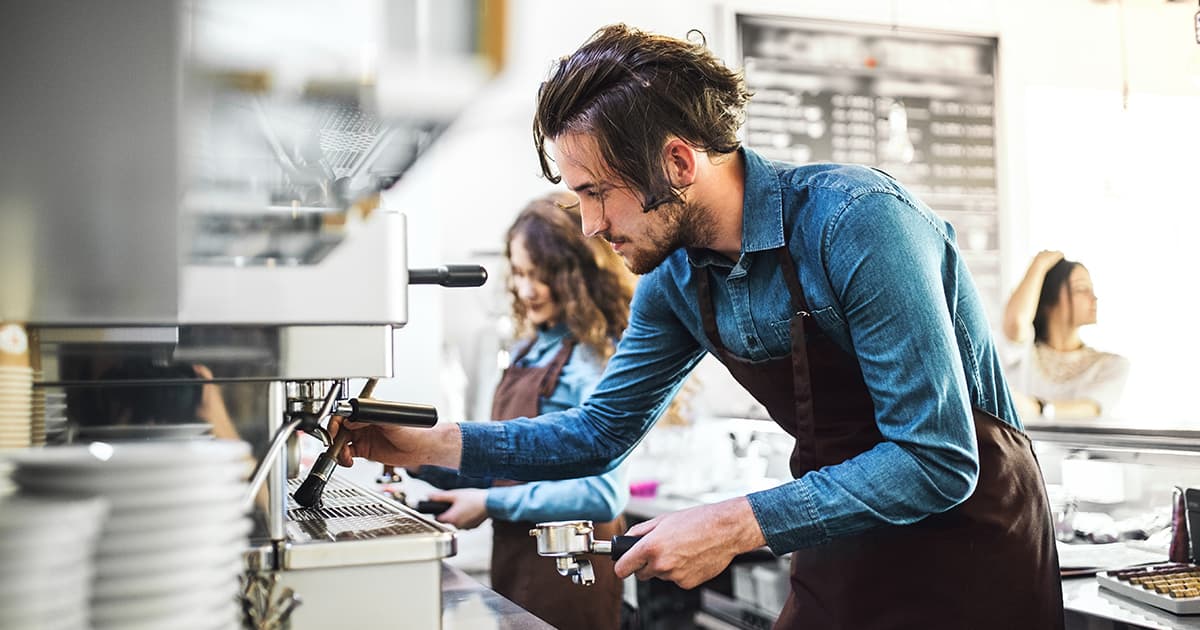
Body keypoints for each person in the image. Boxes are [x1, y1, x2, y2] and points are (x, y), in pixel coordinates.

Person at [335, 24, 1063, 629]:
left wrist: (736, 523)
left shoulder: (857, 222)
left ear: (678, 161)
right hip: (842, 541)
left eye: (597, 194)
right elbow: (596, 433)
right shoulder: (676, 280)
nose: (588, 226)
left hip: (972, 541)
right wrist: (429, 444)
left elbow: (936, 459)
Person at [409, 192, 635, 630]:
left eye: (541, 275)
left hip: (572, 568)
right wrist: (422, 462)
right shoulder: (531, 346)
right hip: (519, 558)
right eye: (519, 273)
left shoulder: (592, 357)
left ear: (575, 275)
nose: (526, 289)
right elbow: (518, 462)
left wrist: (490, 502)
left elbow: (605, 495)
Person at [1002, 250, 1130, 421]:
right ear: (1049, 299)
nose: (1094, 298)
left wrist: (1038, 408)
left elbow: (1091, 407)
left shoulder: (1111, 365)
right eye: (1081, 289)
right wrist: (1039, 264)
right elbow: (1016, 321)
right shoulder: (1022, 355)